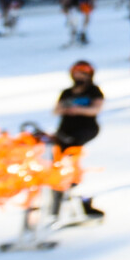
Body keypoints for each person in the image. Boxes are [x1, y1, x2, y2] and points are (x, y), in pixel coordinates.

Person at [47, 59, 108, 223]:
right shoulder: (67, 92)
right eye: (76, 73)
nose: (79, 76)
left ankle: (73, 186)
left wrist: (79, 110)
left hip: (84, 130)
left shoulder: (93, 91)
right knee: (56, 156)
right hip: (64, 130)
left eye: (82, 73)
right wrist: (66, 108)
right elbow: (56, 110)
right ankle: (59, 189)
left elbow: (96, 108)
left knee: (72, 155)